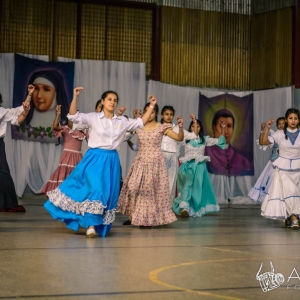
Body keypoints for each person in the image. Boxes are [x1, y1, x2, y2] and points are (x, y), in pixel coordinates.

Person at [44, 88, 157, 237]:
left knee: (106, 193)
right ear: (103, 102)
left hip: (112, 161)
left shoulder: (121, 121)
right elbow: (73, 115)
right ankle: (90, 225)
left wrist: (151, 106)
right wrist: (75, 96)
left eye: (115, 100)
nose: (112, 102)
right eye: (109, 99)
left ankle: (96, 224)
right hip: (95, 158)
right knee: (96, 189)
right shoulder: (93, 117)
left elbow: (140, 123)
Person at [117, 103, 184, 228]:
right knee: (132, 187)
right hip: (140, 161)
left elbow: (179, 138)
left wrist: (180, 127)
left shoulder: (161, 127)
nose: (150, 114)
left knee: (149, 191)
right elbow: (124, 133)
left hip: (155, 163)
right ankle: (133, 216)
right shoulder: (139, 126)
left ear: (156, 114)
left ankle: (146, 219)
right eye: (147, 111)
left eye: (152, 112)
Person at [172, 117, 226, 217]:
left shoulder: (204, 140)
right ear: (190, 128)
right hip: (188, 166)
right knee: (187, 186)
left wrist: (222, 128)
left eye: (197, 126)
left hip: (200, 168)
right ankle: (184, 207)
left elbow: (220, 141)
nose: (195, 128)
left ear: (200, 128)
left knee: (197, 189)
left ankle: (194, 209)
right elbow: (174, 142)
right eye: (193, 126)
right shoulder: (186, 138)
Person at [260, 108, 300, 228]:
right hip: (283, 168)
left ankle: (289, 217)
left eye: (296, 118)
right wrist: (267, 128)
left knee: (294, 193)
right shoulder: (279, 134)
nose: (293, 121)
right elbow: (263, 142)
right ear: (287, 120)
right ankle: (294, 218)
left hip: (298, 168)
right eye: (290, 118)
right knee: (290, 191)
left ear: (299, 120)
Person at [40, 104, 88, 197]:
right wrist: (58, 114)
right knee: (64, 174)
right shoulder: (65, 129)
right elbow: (55, 127)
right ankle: (61, 197)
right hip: (67, 156)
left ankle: (73, 198)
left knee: (76, 175)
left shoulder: (82, 131)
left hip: (78, 157)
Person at [0, 86, 32, 212]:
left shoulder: (2, 111)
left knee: (2, 173)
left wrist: (29, 95)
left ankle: (9, 203)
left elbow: (18, 116)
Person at [160, 106, 198, 205]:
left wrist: (194, 120)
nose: (168, 116)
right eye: (166, 114)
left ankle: (167, 208)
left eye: (171, 114)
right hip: (159, 157)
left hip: (172, 158)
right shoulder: (157, 127)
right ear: (162, 115)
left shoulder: (177, 128)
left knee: (170, 183)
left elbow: (194, 135)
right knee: (158, 183)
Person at [205, 108, 253, 176]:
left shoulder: (244, 161)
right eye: (221, 126)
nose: (226, 132)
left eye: (229, 126)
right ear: (213, 128)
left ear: (233, 129)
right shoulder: (204, 153)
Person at [248, 117, 285, 203]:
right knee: (273, 184)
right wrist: (264, 129)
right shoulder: (276, 135)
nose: (281, 125)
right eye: (279, 124)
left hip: (287, 165)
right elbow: (262, 142)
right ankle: (273, 202)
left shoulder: (292, 135)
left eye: (283, 123)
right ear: (277, 126)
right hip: (275, 164)